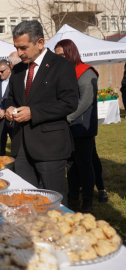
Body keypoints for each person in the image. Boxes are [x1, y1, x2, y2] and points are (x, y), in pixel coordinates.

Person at [4, 21, 78, 206]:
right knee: (26, 200)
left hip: (49, 146)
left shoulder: (61, 65)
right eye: (16, 48)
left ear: (40, 42)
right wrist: (9, 108)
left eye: (23, 48)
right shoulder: (19, 69)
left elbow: (69, 103)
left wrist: (34, 112)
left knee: (53, 200)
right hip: (21, 145)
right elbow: (10, 97)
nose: (19, 53)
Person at [55, 39, 102, 213]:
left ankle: (88, 201)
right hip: (67, 126)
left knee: (84, 164)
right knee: (70, 165)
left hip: (82, 127)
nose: (59, 58)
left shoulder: (86, 72)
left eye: (62, 55)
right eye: (57, 55)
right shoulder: (63, 72)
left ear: (71, 53)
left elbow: (86, 100)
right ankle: (73, 198)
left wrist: (68, 117)